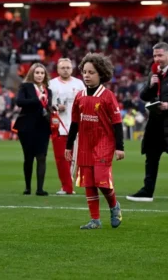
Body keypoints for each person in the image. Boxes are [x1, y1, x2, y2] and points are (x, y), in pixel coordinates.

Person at [126, 43, 168, 204]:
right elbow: (144, 95)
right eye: (155, 56)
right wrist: (150, 85)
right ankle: (147, 191)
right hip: (156, 123)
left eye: (160, 55)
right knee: (151, 157)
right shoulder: (154, 73)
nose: (157, 59)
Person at [65, 53, 125, 230]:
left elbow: (117, 123)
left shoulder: (107, 96)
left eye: (91, 72)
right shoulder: (80, 96)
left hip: (104, 143)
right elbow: (74, 123)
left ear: (101, 74)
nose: (86, 75)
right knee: (88, 182)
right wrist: (69, 146)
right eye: (84, 72)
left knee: (101, 180)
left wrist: (119, 147)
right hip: (84, 144)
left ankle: (114, 206)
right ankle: (95, 220)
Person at [13, 63, 53, 196]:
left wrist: (54, 109)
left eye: (42, 73)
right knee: (28, 157)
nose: (40, 75)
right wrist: (37, 99)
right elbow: (19, 102)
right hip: (27, 126)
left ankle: (40, 189)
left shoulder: (49, 90)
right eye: (37, 73)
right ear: (32, 74)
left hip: (43, 126)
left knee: (41, 157)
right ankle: (28, 187)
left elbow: (48, 107)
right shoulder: (26, 86)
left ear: (45, 75)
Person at [48, 58, 85, 195]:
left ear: (72, 69)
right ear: (58, 69)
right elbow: (47, 104)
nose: (65, 70)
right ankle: (66, 187)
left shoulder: (79, 84)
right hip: (58, 125)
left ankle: (69, 185)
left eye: (68, 67)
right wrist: (56, 107)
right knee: (60, 157)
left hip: (76, 126)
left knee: (73, 158)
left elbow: (86, 102)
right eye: (63, 68)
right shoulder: (51, 84)